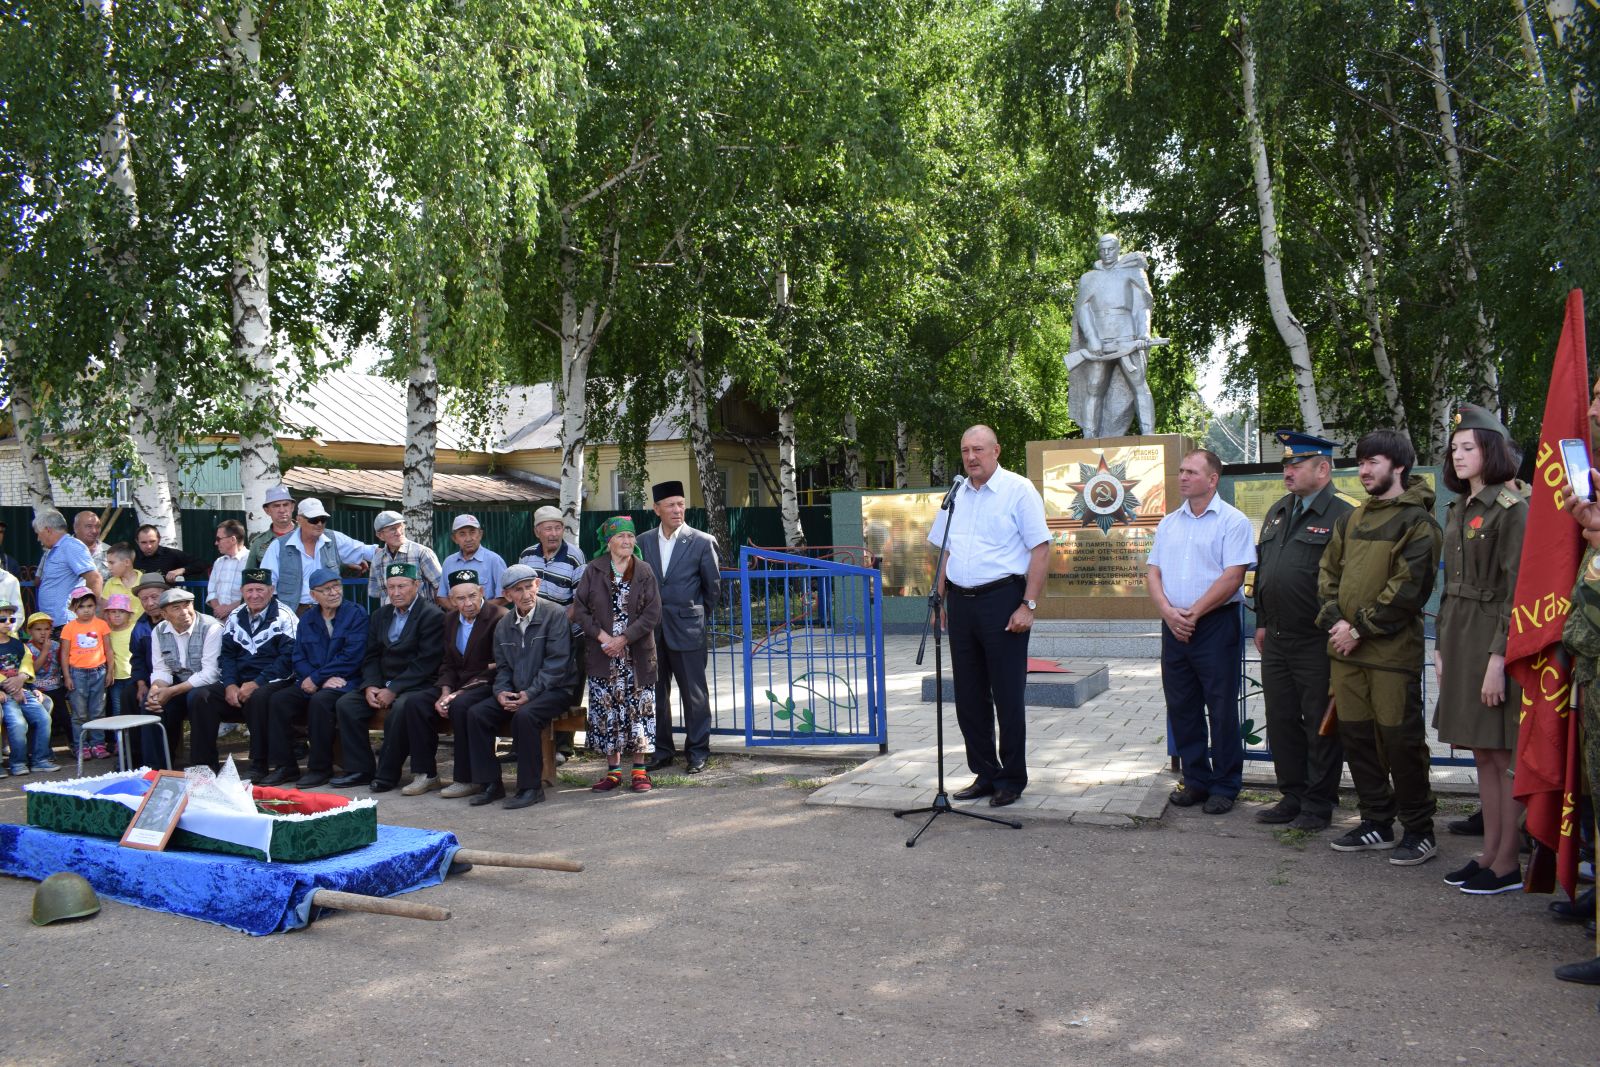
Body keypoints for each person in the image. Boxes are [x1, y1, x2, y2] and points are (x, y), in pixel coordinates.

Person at [1318, 429, 1443, 866]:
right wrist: (1336, 623)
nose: (1364, 470)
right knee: (1357, 739)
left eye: (1373, 462)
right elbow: (1328, 573)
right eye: (1362, 462)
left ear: (1399, 467)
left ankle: (1419, 828)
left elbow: (1408, 591)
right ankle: (1376, 821)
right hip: (1346, 653)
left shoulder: (1419, 523)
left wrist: (1359, 629)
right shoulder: (1351, 519)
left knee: (1400, 742)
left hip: (1389, 656)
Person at [1431, 405, 1529, 895]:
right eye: (1454, 448)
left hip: (1494, 637)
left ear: (1491, 451)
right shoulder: (1457, 507)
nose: (1459, 454)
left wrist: (1498, 659)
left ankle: (1508, 861)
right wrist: (1443, 645)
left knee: (1502, 754)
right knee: (1482, 755)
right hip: (1461, 634)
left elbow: (1517, 592)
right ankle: (1490, 852)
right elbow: (1452, 585)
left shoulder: (1513, 510)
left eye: (1469, 446)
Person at [926, 426, 1050, 808]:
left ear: (996, 450)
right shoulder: (957, 494)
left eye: (978, 449)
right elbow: (945, 551)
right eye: (964, 450)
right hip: (961, 604)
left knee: (1007, 694)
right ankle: (985, 772)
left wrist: (1027, 605)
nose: (970, 457)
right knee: (968, 694)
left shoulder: (1018, 490)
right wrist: (939, 600)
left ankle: (1012, 778)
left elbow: (1041, 549)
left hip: (1003, 600)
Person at [1250, 431, 1354, 831]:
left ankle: (1318, 801)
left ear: (1323, 469)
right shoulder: (1279, 510)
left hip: (1317, 639)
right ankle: (1291, 794)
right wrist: (1260, 620)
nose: (1287, 470)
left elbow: (1350, 580)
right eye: (1286, 464)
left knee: (1319, 722)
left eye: (1296, 464)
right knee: (1280, 719)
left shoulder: (1343, 515)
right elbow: (1263, 571)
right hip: (1276, 637)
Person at [1147, 448, 1256, 814]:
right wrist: (1168, 612)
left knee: (1221, 707)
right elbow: (1154, 573)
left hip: (1214, 625)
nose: (1182, 477)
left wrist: (1193, 613)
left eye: (1191, 472)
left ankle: (1225, 784)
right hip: (1173, 624)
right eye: (1181, 471)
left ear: (1213, 479)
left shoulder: (1233, 521)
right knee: (1183, 705)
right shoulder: (1169, 523)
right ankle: (1196, 780)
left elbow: (1233, 576)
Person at [450, 564, 574, 808]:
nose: (526, 594)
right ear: (507, 595)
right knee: (477, 714)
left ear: (537, 585)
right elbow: (503, 667)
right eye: (518, 590)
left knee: (525, 717)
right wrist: (501, 693)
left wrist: (530, 693)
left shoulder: (554, 614)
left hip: (555, 690)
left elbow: (557, 665)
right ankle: (490, 785)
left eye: (529, 586)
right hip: (518, 690)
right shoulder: (505, 624)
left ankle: (530, 788)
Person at [378, 569, 504, 795]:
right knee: (416, 703)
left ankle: (466, 779)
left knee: (460, 706)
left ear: (481, 592)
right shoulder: (450, 620)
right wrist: (445, 691)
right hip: (454, 685)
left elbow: (499, 666)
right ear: (452, 600)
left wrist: (456, 695)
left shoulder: (498, 616)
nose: (467, 604)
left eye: (472, 596)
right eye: (460, 599)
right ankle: (426, 774)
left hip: (485, 685)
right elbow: (446, 663)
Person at [331, 562, 444, 788]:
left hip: (417, 684)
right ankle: (360, 769)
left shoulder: (432, 615)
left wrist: (393, 689)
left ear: (417, 585)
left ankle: (387, 775)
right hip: (383, 683)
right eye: (391, 587)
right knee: (347, 704)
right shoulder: (380, 615)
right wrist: (371, 685)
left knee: (402, 709)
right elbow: (371, 655)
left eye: (402, 586)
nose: (396, 592)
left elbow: (426, 662)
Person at [573, 517, 663, 792]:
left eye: (630, 537)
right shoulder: (593, 569)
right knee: (607, 712)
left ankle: (639, 770)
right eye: (620, 537)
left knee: (639, 712)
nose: (626, 542)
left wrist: (623, 639)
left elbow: (652, 613)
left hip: (636, 655)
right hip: (603, 654)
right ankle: (613, 771)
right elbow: (580, 610)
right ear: (609, 542)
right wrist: (605, 639)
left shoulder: (644, 570)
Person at [638, 481, 721, 774]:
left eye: (680, 504)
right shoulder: (643, 541)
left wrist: (694, 615)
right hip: (651, 633)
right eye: (670, 505)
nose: (677, 510)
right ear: (656, 509)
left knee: (694, 694)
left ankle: (698, 751)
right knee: (657, 694)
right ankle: (662, 751)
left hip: (687, 631)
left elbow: (713, 589)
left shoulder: (701, 541)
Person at [261, 568, 368, 788]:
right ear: (313, 595)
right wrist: (312, 679)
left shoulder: (356, 614)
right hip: (313, 680)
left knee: (321, 701)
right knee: (279, 701)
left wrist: (318, 678)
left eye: (337, 586)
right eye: (326, 589)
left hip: (347, 681)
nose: (333, 593)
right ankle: (286, 767)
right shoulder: (307, 619)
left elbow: (352, 656)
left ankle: (320, 768)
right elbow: (298, 656)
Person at [186, 569, 299, 775]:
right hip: (239, 682)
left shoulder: (284, 616)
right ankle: (204, 766)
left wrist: (256, 683)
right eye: (249, 590)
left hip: (274, 680)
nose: (254, 595)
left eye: (260, 589)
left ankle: (258, 763)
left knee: (258, 697)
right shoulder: (235, 616)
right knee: (200, 697)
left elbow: (288, 659)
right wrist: (229, 684)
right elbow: (227, 655)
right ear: (242, 591)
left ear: (271, 590)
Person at [1066, 234, 1161, 438]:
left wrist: (1143, 332)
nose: (1107, 253)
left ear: (1118, 249)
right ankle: (1089, 436)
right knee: (1094, 387)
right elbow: (1083, 309)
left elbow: (1142, 306)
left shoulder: (1132, 272)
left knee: (1139, 384)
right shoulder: (1089, 278)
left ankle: (1149, 433)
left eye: (1111, 249)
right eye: (1103, 249)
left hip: (1127, 337)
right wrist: (1092, 339)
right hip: (1100, 340)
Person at [519, 504, 586, 762]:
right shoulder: (527, 556)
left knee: (569, 689)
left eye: (558, 527)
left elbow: (581, 601)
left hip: (569, 635)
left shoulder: (574, 556)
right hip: (534, 636)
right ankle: (531, 742)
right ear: (538, 531)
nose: (554, 533)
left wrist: (555, 625)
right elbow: (520, 592)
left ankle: (563, 747)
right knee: (535, 685)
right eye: (548, 528)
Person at [145, 587, 225, 770]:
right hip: (181, 684)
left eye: (187, 605)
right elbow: (161, 668)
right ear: (164, 614)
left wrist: (171, 691)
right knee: (152, 704)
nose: (184, 612)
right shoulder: (159, 630)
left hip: (212, 686)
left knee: (198, 698)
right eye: (176, 608)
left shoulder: (211, 627)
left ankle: (203, 766)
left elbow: (211, 673)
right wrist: (156, 689)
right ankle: (156, 768)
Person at [259, 497, 374, 614]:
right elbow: (266, 583)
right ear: (299, 519)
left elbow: (368, 551)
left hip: (329, 611)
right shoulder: (279, 546)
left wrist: (392, 550)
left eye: (323, 519)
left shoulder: (334, 539)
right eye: (313, 520)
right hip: (293, 613)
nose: (319, 524)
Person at [0, 604, 56, 775]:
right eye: (3, 619)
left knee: (44, 719)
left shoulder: (18, 645)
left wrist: (22, 680)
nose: (8, 622)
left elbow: (27, 664)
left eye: (11, 619)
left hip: (22, 690)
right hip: (5, 694)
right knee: (18, 724)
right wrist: (9, 685)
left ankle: (40, 759)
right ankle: (17, 763)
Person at [61, 587, 112, 760]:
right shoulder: (69, 628)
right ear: (74, 608)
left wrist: (110, 671)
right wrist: (67, 676)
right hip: (77, 674)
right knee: (79, 713)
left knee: (98, 711)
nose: (86, 610)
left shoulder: (101, 624)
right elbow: (64, 654)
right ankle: (81, 746)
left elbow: (108, 649)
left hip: (99, 672)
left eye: (90, 606)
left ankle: (98, 744)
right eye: (82, 606)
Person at [33, 510, 102, 627]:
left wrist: (87, 615)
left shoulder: (70, 546)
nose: (38, 538)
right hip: (56, 624)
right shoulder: (56, 549)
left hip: (67, 623)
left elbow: (94, 579)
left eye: (38, 533)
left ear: (47, 530)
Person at [369, 511, 444, 608]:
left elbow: (441, 588)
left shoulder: (421, 553)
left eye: (400, 527)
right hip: (391, 618)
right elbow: (376, 593)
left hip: (422, 617)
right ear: (380, 535)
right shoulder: (377, 559)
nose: (398, 533)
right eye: (392, 529)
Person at [440, 514, 507, 607]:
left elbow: (504, 597)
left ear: (480, 534)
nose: (468, 539)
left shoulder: (494, 560)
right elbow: (442, 596)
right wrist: (459, 614)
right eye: (462, 534)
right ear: (454, 538)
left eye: (472, 532)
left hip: (488, 619)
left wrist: (478, 612)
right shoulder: (448, 562)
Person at [22, 612, 66, 747]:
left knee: (65, 718)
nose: (43, 633)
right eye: (38, 629)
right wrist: (45, 651)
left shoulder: (56, 646)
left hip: (56, 687)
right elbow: (32, 670)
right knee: (41, 721)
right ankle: (44, 749)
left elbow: (62, 663)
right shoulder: (27, 648)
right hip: (38, 690)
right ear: (29, 631)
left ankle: (75, 746)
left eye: (47, 629)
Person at [102, 594, 137, 721]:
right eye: (113, 611)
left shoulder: (134, 629)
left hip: (132, 676)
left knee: (134, 708)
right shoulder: (106, 632)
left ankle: (134, 739)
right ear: (107, 615)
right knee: (117, 709)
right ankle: (120, 740)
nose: (117, 615)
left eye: (121, 611)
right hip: (114, 678)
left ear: (129, 614)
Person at [208, 519, 250, 619]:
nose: (216, 543)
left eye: (219, 539)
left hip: (246, 618)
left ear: (233, 540)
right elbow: (211, 592)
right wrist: (219, 610)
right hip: (220, 620)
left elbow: (255, 593)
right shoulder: (219, 562)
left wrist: (229, 609)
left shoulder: (252, 560)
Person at [246, 486, 298, 568]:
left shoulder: (307, 535)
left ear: (292, 507)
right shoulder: (258, 543)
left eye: (285, 505)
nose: (282, 510)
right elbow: (250, 577)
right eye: (276, 506)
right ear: (267, 510)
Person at [132, 524, 197, 584]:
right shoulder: (131, 557)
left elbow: (201, 563)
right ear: (137, 542)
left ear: (159, 539)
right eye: (144, 542)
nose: (149, 546)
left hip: (165, 595)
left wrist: (181, 570)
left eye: (152, 541)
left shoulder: (170, 554)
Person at [100, 544, 143, 622]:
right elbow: (104, 614)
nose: (109, 567)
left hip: (141, 632)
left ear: (127, 562)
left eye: (112, 563)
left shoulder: (144, 582)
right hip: (115, 632)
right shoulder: (110, 583)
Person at [73, 510, 109, 579]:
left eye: (98, 526)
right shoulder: (60, 551)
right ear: (76, 527)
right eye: (89, 526)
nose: (94, 531)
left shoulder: (110, 552)